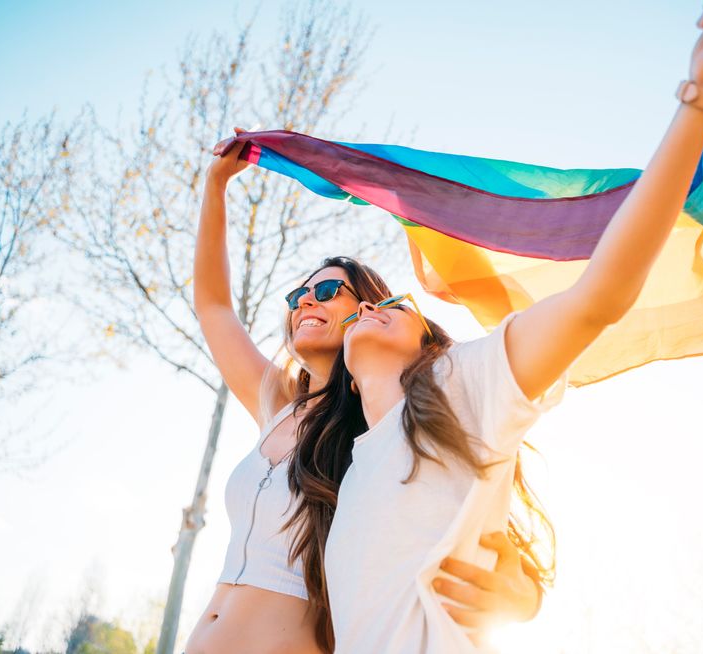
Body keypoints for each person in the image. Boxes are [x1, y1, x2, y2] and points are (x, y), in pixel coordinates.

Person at [315, 1, 703, 652]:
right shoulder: (345, 467)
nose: (369, 307)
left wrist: (702, 95)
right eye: (357, 307)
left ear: (429, 345)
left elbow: (599, 295)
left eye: (394, 305)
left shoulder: (462, 383)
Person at [186, 156, 545, 653]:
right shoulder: (279, 406)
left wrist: (523, 598)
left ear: (366, 310)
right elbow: (214, 307)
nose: (306, 301)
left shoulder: (383, 422)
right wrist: (216, 183)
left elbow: (471, 503)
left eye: (328, 289)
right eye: (298, 295)